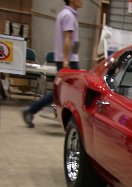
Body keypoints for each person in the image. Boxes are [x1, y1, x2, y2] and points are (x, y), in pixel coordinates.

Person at [23, 0, 83, 128]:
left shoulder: (65, 14)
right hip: (69, 61)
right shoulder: (68, 16)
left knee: (61, 91)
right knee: (65, 91)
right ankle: (31, 110)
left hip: (68, 59)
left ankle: (35, 110)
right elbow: (68, 39)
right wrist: (66, 61)